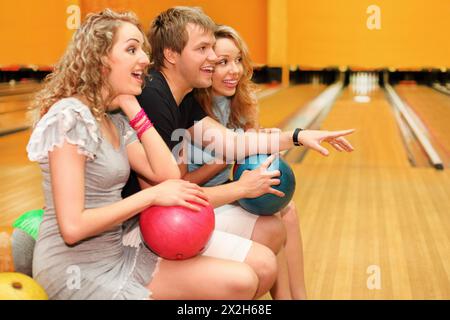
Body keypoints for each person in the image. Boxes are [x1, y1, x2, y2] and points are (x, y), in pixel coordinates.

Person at [25, 9, 278, 300]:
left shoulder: (116, 121)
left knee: (242, 280)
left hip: (117, 253)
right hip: (75, 270)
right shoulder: (69, 118)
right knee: (239, 281)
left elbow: (167, 174)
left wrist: (132, 107)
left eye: (143, 50)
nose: (145, 59)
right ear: (101, 60)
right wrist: (151, 196)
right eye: (131, 49)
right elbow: (72, 227)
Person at [123, 6, 354, 298]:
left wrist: (297, 136)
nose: (212, 57)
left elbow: (233, 144)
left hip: (171, 221)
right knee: (254, 272)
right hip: (143, 232)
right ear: (171, 54)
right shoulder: (154, 97)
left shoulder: (182, 99)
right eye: (203, 49)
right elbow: (169, 193)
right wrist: (242, 188)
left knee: (273, 235)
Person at [187, 25, 307, 299]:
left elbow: (248, 159)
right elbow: (181, 184)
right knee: (277, 215)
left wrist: (266, 144)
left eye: (238, 60)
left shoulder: (242, 101)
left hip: (231, 191)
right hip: (204, 200)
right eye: (223, 63)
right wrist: (222, 160)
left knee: (288, 210)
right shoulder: (189, 110)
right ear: (205, 67)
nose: (234, 70)